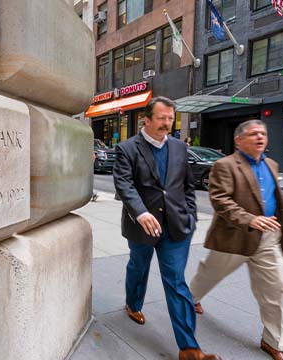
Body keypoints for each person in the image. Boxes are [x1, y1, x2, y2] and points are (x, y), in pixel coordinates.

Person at [113, 97, 221, 360]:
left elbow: (186, 186)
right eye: (161, 118)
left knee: (176, 282)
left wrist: (190, 216)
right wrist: (140, 212)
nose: (167, 124)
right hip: (142, 226)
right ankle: (133, 303)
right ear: (146, 120)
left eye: (170, 119)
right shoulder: (127, 148)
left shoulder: (179, 148)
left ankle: (189, 348)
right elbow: (124, 185)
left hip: (176, 226)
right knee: (138, 266)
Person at [189, 120, 283, 360]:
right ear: (238, 139)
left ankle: (273, 341)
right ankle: (191, 299)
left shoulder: (272, 164)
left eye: (263, 133)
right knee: (209, 274)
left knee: (276, 289)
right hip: (234, 237)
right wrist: (249, 219)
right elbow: (220, 200)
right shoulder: (224, 165)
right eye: (254, 133)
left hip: (267, 237)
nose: (260, 137)